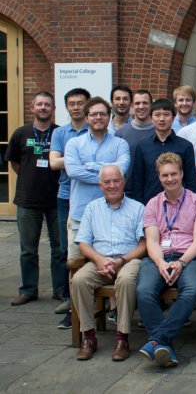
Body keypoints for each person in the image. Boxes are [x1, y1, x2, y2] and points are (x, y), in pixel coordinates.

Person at [136, 152, 196, 368]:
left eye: (173, 174)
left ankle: (156, 340)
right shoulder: (152, 204)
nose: (170, 179)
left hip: (189, 257)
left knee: (192, 289)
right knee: (144, 290)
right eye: (165, 175)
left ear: (182, 173)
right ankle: (163, 345)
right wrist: (160, 263)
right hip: (158, 257)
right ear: (159, 177)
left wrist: (181, 262)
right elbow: (151, 240)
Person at [71, 165, 146, 361]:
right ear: (100, 185)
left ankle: (122, 338)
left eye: (116, 181)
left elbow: (143, 245)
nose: (112, 185)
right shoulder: (92, 208)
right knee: (78, 280)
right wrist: (99, 259)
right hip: (99, 260)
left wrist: (121, 260)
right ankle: (88, 337)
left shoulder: (138, 208)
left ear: (124, 182)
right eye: (107, 182)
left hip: (128, 259)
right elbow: (84, 243)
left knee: (126, 280)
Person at [5, 91, 62, 307]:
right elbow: (14, 162)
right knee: (28, 249)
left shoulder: (59, 133)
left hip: (56, 199)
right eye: (40, 104)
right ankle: (28, 290)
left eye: (47, 105)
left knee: (59, 249)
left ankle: (59, 290)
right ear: (32, 108)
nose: (43, 108)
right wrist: (31, 177)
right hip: (27, 200)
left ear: (53, 109)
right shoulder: (21, 133)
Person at [64, 98, 131, 259]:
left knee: (109, 264)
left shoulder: (121, 144)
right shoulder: (73, 144)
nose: (98, 117)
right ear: (86, 118)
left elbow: (121, 170)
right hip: (79, 215)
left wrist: (89, 166)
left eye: (102, 114)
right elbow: (73, 171)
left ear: (109, 117)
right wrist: (108, 174)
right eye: (93, 114)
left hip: (113, 215)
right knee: (75, 264)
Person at [49, 87, 90, 321]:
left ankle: (89, 298)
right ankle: (71, 300)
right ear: (66, 107)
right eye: (71, 103)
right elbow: (53, 164)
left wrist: (72, 162)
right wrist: (81, 160)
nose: (76, 107)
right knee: (68, 250)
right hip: (66, 196)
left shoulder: (95, 128)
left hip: (92, 197)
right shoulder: (60, 133)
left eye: (80, 103)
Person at [131, 99, 196, 205]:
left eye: (166, 114)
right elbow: (137, 182)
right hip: (149, 205)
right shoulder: (143, 146)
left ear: (173, 117)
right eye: (157, 115)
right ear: (151, 118)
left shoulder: (185, 146)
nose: (162, 119)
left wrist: (190, 205)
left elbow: (191, 182)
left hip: (179, 205)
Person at [115, 89, 155, 195]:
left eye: (145, 103)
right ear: (132, 106)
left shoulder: (160, 132)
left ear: (151, 105)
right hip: (127, 192)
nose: (141, 106)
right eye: (137, 103)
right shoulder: (121, 133)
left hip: (153, 192)